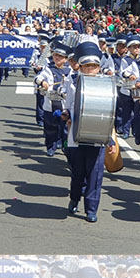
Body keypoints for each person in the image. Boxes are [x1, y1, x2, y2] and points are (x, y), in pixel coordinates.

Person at [60, 42, 117, 223]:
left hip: (97, 137)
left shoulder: (107, 85)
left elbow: (110, 112)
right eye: (87, 66)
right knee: (78, 174)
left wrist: (110, 140)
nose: (90, 69)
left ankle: (91, 209)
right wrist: (65, 114)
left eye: (94, 66)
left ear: (98, 68)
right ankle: (74, 198)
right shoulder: (73, 82)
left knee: (95, 175)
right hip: (76, 136)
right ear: (81, 67)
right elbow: (68, 105)